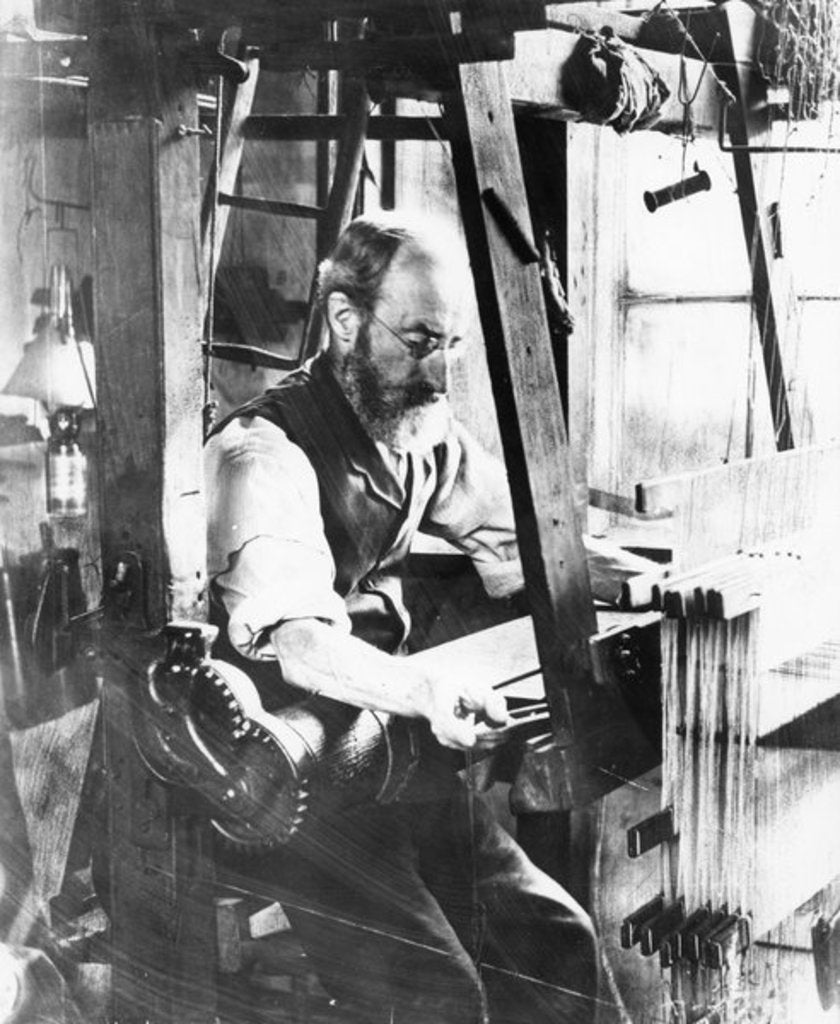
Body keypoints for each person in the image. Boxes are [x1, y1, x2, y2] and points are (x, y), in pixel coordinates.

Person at [205, 211, 648, 1023]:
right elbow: (300, 645)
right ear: (344, 322)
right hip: (288, 790)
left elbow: (526, 538)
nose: (441, 375)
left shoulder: (416, 430)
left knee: (560, 943)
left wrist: (651, 577)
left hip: (395, 758)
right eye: (419, 343)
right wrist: (426, 691)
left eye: (451, 346)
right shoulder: (259, 454)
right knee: (439, 999)